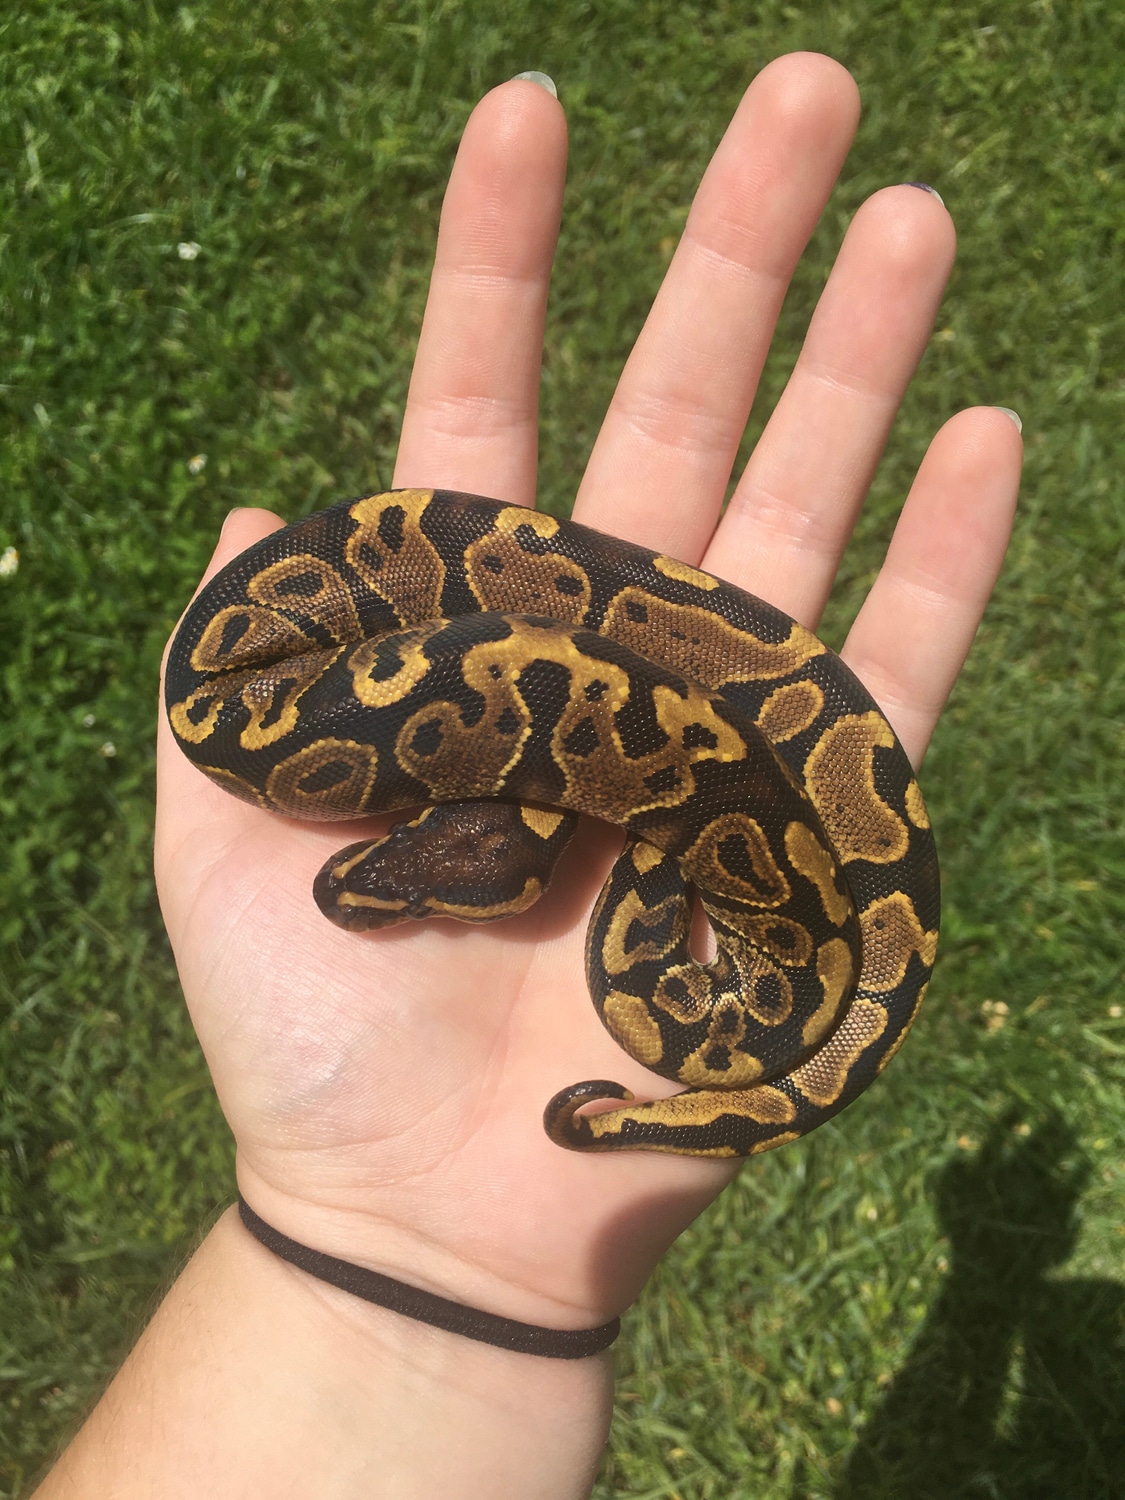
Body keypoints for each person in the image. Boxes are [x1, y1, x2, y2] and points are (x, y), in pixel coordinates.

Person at [35, 54, 1021, 1498]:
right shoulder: (628, 882)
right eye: (416, 883)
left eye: (416, 872)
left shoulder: (629, 904)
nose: (368, 888)